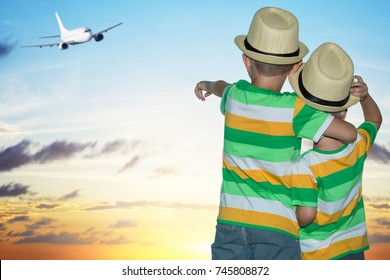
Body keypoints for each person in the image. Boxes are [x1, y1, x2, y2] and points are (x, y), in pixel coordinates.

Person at [194, 7, 357, 260]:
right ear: (295, 67)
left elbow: (220, 86)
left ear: (246, 61)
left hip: (230, 222)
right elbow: (349, 134)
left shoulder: (235, 96)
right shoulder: (296, 109)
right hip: (277, 226)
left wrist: (206, 84)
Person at [289, 42, 382, 260]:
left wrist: (287, 217)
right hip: (353, 249)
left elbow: (306, 216)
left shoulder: (305, 166)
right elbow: (375, 120)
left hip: (317, 255)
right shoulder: (357, 145)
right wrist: (365, 97)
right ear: (346, 113)